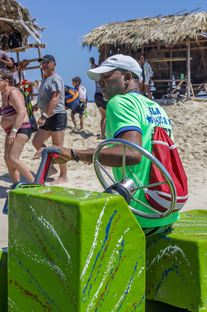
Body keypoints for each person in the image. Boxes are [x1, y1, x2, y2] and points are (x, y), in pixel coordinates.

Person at [35, 54, 180, 236]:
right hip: (165, 210)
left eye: (107, 76)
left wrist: (72, 154)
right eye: (100, 78)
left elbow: (132, 154)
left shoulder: (119, 102)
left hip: (139, 212)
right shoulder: (155, 107)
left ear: (127, 77)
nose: (101, 82)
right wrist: (92, 154)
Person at [32, 54, 68, 185]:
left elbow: (55, 99)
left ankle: (64, 176)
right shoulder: (45, 79)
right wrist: (38, 105)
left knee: (58, 148)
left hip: (57, 116)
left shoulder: (55, 79)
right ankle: (52, 168)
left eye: (47, 62)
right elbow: (46, 98)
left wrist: (43, 116)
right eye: (42, 63)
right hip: (47, 116)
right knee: (36, 142)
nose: (44, 65)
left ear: (54, 64)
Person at [0, 70, 34, 185]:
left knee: (13, 159)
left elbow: (22, 113)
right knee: (8, 160)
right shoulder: (4, 95)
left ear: (6, 81)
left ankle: (35, 184)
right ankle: (16, 186)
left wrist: (13, 131)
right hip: (12, 131)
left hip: (20, 129)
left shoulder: (13, 92)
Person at [91, 57, 107, 139]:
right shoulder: (104, 76)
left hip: (96, 95)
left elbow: (93, 67)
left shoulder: (96, 75)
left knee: (103, 117)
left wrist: (93, 63)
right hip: (101, 95)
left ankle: (102, 134)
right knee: (106, 117)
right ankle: (103, 134)